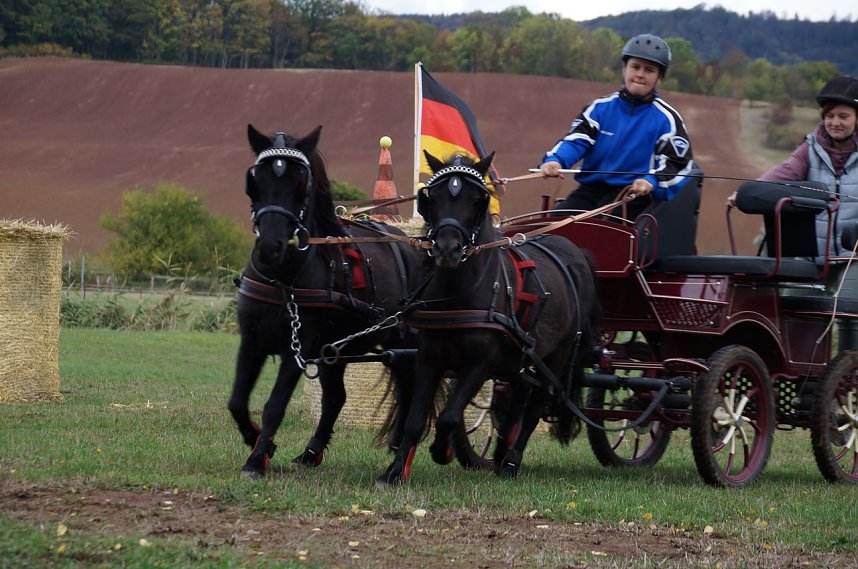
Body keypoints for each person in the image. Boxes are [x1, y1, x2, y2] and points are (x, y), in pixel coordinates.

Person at [539, 33, 696, 220]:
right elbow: (576, 140)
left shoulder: (667, 120)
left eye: (649, 70)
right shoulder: (599, 108)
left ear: (659, 78)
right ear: (624, 69)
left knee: (600, 230)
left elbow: (677, 164)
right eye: (635, 67)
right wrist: (556, 160)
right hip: (590, 191)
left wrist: (652, 180)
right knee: (553, 226)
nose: (640, 74)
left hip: (633, 196)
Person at [726, 75, 858, 260]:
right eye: (829, 116)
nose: (835, 123)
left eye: (843, 117)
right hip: (811, 260)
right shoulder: (810, 149)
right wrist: (744, 193)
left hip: (852, 260)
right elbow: (783, 173)